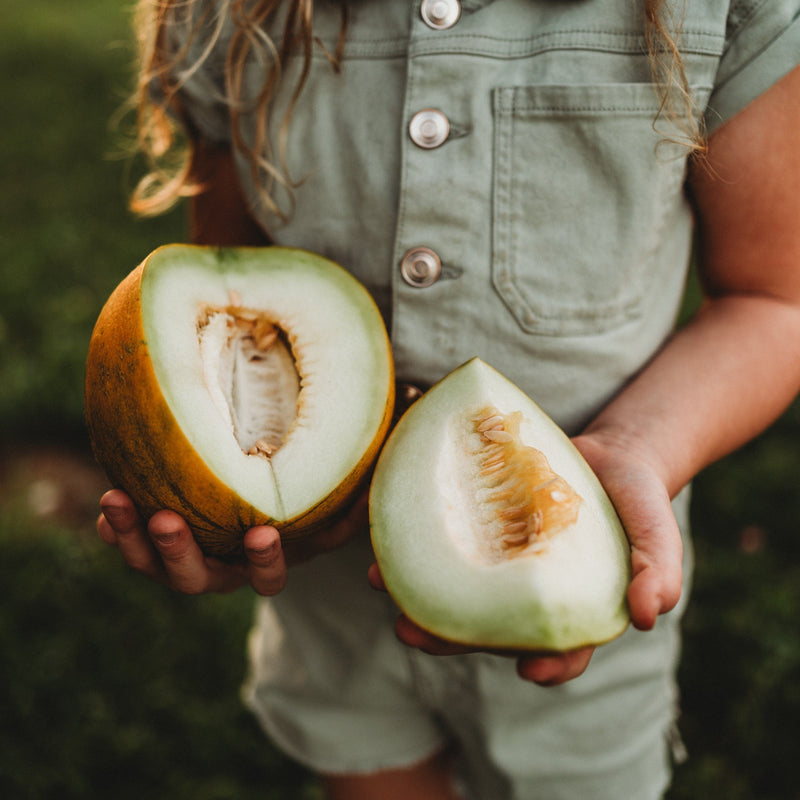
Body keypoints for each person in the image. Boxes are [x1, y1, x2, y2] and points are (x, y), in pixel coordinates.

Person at [97, 0, 800, 797]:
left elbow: (774, 300)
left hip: (593, 586)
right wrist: (221, 505)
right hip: (326, 599)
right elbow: (227, 284)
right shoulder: (230, 14)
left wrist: (640, 447)